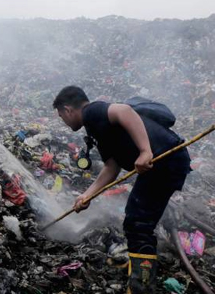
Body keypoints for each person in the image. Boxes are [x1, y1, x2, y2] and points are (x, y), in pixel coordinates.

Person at [53, 86, 191, 294]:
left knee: (138, 223)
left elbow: (124, 111)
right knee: (137, 220)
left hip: (164, 158)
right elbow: (112, 166)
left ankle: (141, 286)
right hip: (167, 162)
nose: (63, 120)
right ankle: (141, 274)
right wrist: (87, 195)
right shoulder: (95, 127)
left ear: (68, 109)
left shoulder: (93, 111)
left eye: (61, 115)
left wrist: (145, 150)